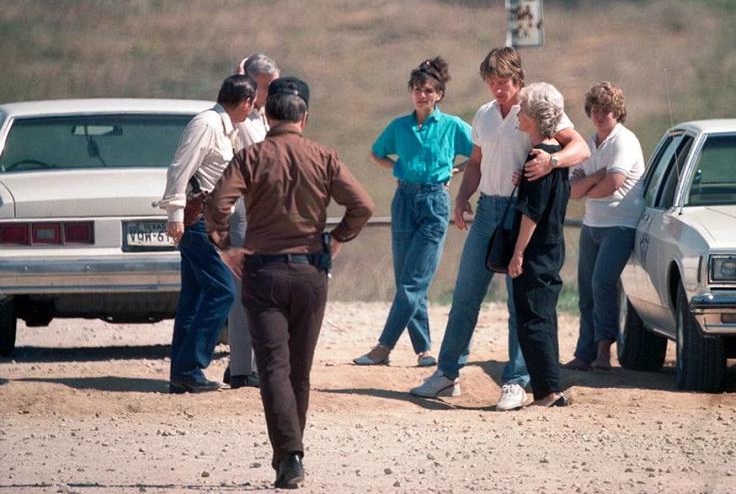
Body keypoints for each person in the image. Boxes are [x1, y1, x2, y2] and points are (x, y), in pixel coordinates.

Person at [205, 77, 374, 489]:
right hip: (311, 273)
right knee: (299, 370)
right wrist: (336, 239)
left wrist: (227, 246)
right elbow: (363, 206)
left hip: (263, 272)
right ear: (304, 118)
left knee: (274, 369)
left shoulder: (251, 156)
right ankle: (292, 453)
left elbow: (216, 204)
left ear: (267, 115)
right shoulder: (324, 156)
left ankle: (289, 456)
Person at [411, 46, 589, 411]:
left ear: (517, 79)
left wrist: (552, 161)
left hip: (519, 209)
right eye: (491, 82)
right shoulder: (484, 115)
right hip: (488, 209)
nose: (497, 89)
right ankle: (447, 372)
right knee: (465, 295)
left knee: (517, 300)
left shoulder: (536, 108)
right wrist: (462, 198)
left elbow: (580, 148)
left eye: (503, 82)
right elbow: (475, 162)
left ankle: (516, 380)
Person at [354, 58, 473, 367]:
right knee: (407, 278)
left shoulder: (453, 126)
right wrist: (399, 168)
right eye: (418, 90)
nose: (423, 95)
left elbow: (480, 154)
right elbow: (376, 153)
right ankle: (424, 349)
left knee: (414, 281)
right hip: (404, 199)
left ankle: (383, 346)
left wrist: (454, 171)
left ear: (440, 94)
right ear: (411, 93)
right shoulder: (399, 126)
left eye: (429, 90)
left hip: (435, 202)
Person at [158, 74, 257, 394]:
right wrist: (175, 215)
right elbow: (179, 168)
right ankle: (191, 366)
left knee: (195, 296)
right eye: (251, 104)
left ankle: (182, 373)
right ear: (245, 102)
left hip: (210, 219)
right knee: (222, 291)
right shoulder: (207, 124)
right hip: (197, 219)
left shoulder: (228, 127)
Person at [564, 82, 645, 371]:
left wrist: (590, 184)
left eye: (607, 110)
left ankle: (604, 352)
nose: (601, 115)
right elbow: (571, 190)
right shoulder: (589, 143)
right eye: (596, 109)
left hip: (620, 224)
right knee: (586, 289)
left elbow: (614, 185)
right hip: (592, 223)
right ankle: (584, 353)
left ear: (617, 112)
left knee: (603, 283)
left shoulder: (624, 141)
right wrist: (595, 177)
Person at [509, 83, 572, 407]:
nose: (518, 114)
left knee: (532, 318)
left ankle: (547, 391)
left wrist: (518, 252)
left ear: (533, 117)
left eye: (523, 110)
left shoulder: (539, 157)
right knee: (543, 316)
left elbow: (531, 214)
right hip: (552, 245)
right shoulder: (553, 158)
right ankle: (551, 388)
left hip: (537, 250)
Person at [222, 53, 281, 389]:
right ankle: (243, 368)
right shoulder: (241, 119)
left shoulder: (262, 117)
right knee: (247, 291)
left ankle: (246, 365)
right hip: (247, 205)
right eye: (267, 86)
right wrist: (240, 79)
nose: (273, 92)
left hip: (264, 205)